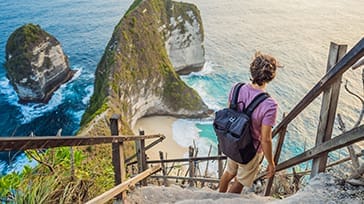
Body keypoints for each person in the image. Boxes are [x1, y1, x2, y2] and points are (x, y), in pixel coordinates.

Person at [219, 52, 280, 193]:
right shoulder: (270, 105)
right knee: (239, 182)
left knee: (229, 172)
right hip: (250, 150)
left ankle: (217, 197)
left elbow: (230, 115)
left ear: (252, 70)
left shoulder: (236, 88)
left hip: (233, 141)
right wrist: (271, 163)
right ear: (271, 76)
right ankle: (224, 202)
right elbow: (265, 139)